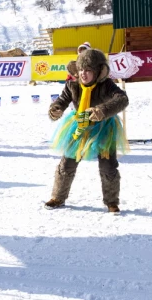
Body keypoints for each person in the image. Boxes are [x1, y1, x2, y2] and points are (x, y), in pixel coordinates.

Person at [45, 48, 129, 213]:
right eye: (81, 69)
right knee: (67, 162)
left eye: (88, 70)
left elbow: (122, 99)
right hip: (79, 125)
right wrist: (56, 108)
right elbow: (62, 100)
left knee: (108, 167)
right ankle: (58, 197)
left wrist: (102, 110)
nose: (83, 73)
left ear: (98, 72)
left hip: (104, 128)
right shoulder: (72, 84)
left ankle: (112, 202)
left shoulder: (106, 85)